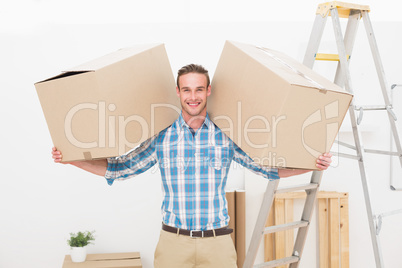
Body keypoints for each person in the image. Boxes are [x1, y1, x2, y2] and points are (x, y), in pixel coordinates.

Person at [52, 64, 332, 268]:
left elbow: (267, 169)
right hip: (174, 242)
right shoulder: (162, 137)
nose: (193, 96)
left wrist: (313, 164)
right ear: (178, 92)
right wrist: (72, 158)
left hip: (218, 242)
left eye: (199, 89)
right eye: (187, 89)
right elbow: (119, 169)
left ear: (208, 91)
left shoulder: (226, 134)